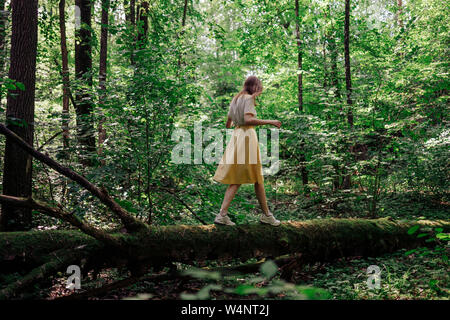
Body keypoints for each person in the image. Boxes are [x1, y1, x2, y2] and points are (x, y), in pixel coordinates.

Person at [213, 75, 281, 226]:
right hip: (247, 137)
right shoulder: (248, 98)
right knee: (254, 177)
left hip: (237, 136)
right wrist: (270, 121)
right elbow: (249, 120)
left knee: (248, 177)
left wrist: (239, 122)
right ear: (255, 86)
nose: (260, 92)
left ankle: (224, 214)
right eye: (259, 88)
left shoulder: (235, 99)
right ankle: (266, 216)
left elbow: (228, 124)